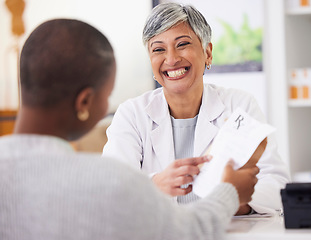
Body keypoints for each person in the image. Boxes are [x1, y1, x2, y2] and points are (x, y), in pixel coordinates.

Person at [0, 18, 259, 240]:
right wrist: (229, 192)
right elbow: (191, 232)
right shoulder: (106, 183)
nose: (171, 58)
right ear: (85, 102)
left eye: (182, 44)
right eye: (107, 94)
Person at [103, 2, 290, 215]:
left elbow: (276, 183)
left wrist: (232, 201)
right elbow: (111, 188)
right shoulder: (132, 114)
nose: (171, 59)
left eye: (182, 44)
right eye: (158, 49)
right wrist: (154, 186)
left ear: (207, 52)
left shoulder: (239, 105)